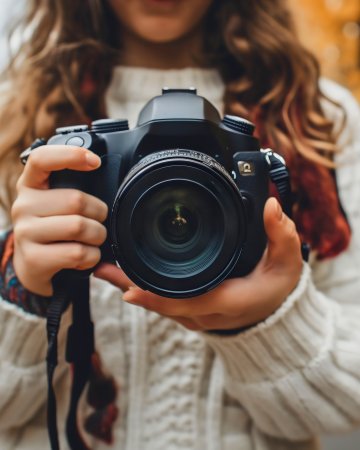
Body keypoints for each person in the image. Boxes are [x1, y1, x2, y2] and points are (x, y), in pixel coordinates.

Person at [0, 0, 359, 449]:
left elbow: (350, 404)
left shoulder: (319, 119)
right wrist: (25, 287)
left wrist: (267, 321)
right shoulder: (12, 117)